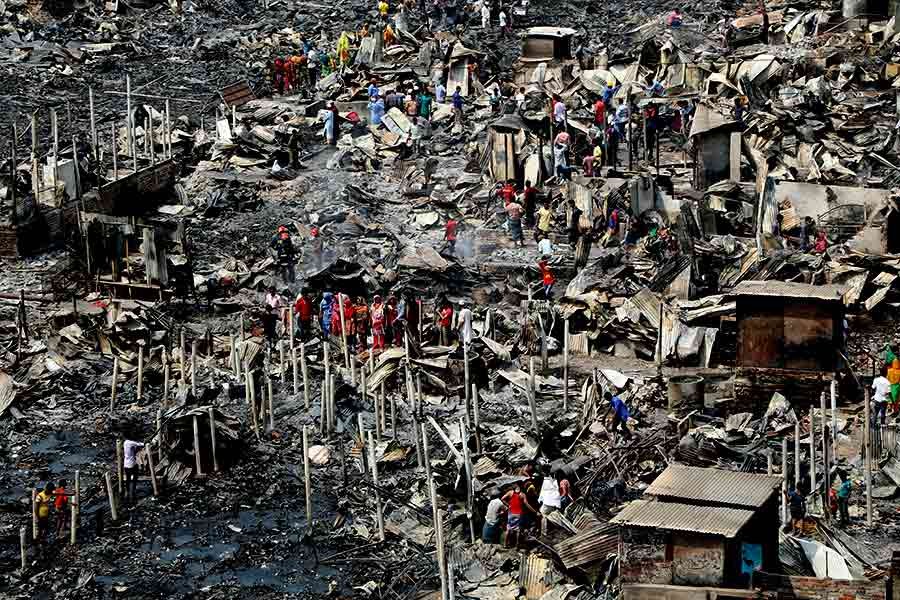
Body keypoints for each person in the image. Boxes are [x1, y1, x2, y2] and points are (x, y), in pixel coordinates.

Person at [538, 465, 562, 535]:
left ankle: (544, 533)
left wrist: (541, 499)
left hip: (548, 501)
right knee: (552, 514)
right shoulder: (551, 478)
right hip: (552, 501)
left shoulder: (546, 479)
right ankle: (557, 527)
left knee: (544, 515)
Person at [123, 437, 145, 504]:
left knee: (128, 479)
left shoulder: (125, 442)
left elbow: (134, 450)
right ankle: (133, 492)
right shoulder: (131, 442)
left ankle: (127, 492)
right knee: (134, 478)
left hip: (126, 464)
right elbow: (141, 444)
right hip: (131, 464)